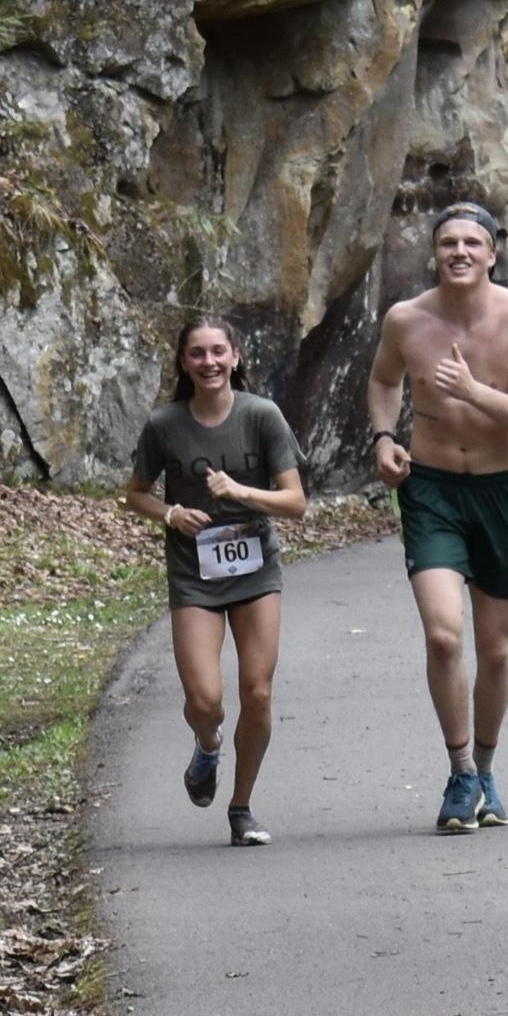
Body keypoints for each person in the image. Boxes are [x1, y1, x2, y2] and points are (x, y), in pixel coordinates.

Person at [367, 201, 508, 833]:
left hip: (501, 494)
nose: (460, 253)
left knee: (496, 651)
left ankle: (487, 767)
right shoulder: (407, 319)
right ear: (435, 252)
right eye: (448, 242)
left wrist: (473, 391)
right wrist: (383, 438)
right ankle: (460, 773)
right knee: (445, 635)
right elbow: (384, 381)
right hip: (432, 492)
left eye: (472, 242)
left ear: (492, 253)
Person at [124, 315, 306, 847]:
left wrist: (241, 492)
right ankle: (207, 745)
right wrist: (170, 514)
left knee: (257, 690)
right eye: (197, 353)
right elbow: (134, 494)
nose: (209, 362)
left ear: (236, 357)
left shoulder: (262, 416)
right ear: (184, 362)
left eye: (218, 351)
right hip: (194, 571)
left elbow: (295, 501)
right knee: (205, 699)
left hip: (254, 569)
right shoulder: (165, 424)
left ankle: (241, 807)